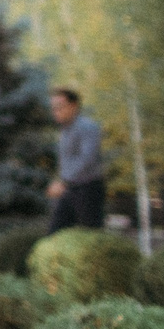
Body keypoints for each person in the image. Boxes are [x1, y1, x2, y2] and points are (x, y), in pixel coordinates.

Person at [45, 87, 106, 233]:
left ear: (74, 106)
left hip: (88, 189)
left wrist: (63, 182)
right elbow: (66, 163)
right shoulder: (65, 131)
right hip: (70, 189)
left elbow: (87, 159)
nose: (55, 111)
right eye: (53, 108)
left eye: (59, 107)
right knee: (55, 233)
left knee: (89, 235)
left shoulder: (87, 127)